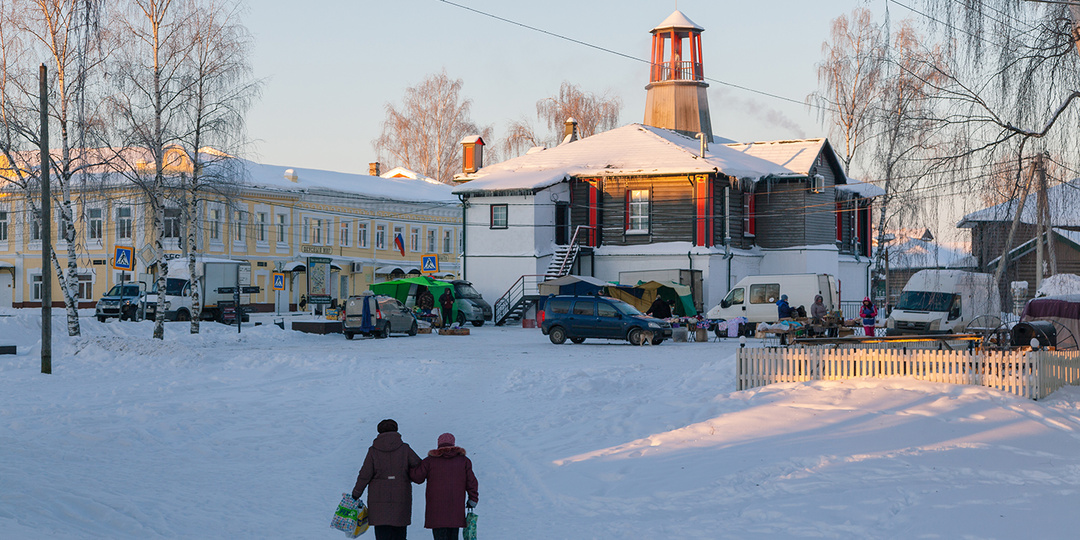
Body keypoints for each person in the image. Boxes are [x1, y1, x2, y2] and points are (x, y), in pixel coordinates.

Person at [352, 419, 423, 540]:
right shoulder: (405, 449)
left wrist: (356, 494)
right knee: (399, 533)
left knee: (382, 534)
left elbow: (365, 474)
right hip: (401, 497)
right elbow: (419, 467)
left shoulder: (373, 451)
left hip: (378, 500)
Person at [410, 433, 479, 540]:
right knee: (453, 536)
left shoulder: (430, 461)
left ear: (438, 444)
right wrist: (473, 498)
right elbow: (472, 481)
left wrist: (408, 466)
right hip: (456, 508)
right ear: (453, 444)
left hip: (436, 509)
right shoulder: (463, 461)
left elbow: (417, 478)